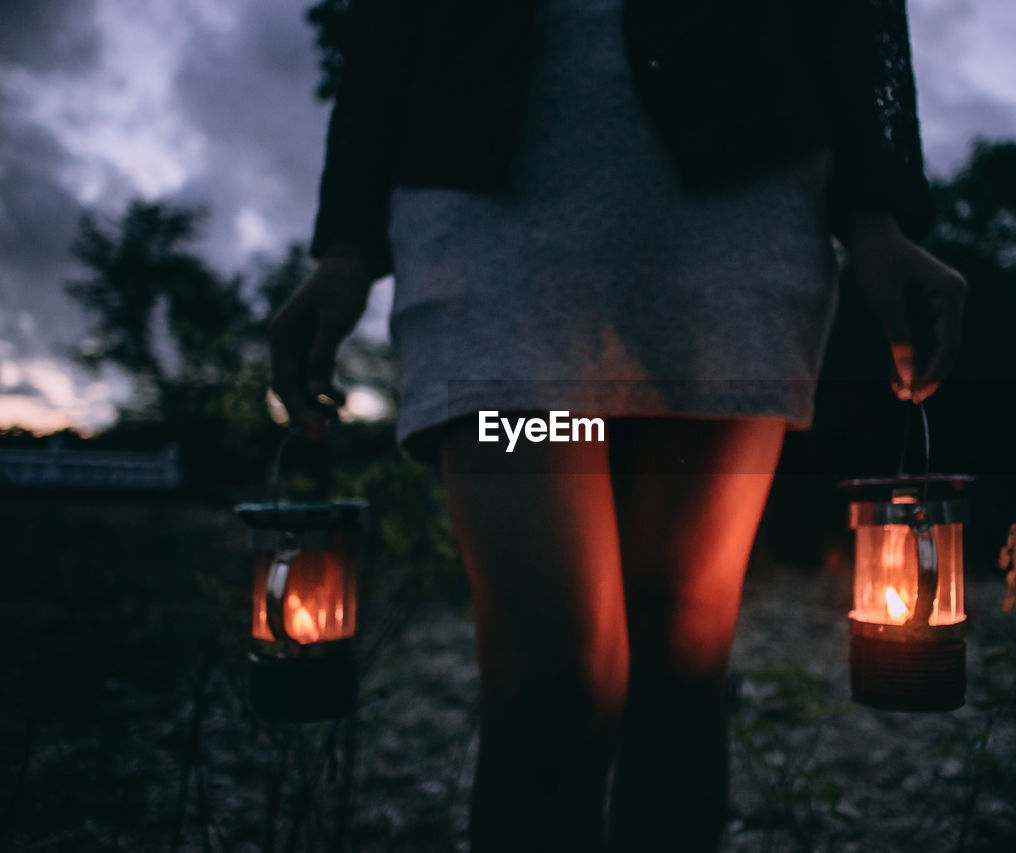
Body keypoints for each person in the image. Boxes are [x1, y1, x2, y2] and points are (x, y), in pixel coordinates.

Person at [269, 0, 966, 850]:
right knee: (554, 678)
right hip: (486, 216)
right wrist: (345, 241)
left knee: (679, 668)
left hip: (735, 210)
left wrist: (876, 213)